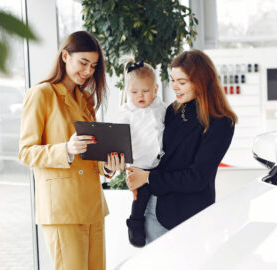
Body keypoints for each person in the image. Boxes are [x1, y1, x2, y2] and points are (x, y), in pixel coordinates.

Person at [18, 31, 124, 270]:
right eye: (83, 63)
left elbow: (92, 151)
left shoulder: (84, 99)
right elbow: (25, 151)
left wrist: (107, 166)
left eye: (93, 66)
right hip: (63, 208)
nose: (87, 71)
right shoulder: (42, 94)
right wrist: (65, 149)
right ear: (65, 56)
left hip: (93, 207)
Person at [126, 49, 237, 243]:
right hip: (155, 211)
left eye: (182, 82)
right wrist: (135, 172)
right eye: (173, 80)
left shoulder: (221, 122)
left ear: (202, 82)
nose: (175, 87)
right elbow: (156, 155)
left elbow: (197, 178)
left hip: (192, 217)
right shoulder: (173, 110)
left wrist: (148, 177)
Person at [113, 57, 166, 247]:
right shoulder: (126, 112)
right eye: (134, 92)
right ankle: (135, 224)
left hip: (160, 164)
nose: (140, 96)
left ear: (155, 90)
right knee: (140, 197)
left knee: (159, 195)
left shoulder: (161, 108)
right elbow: (117, 137)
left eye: (145, 91)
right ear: (128, 92)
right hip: (138, 164)